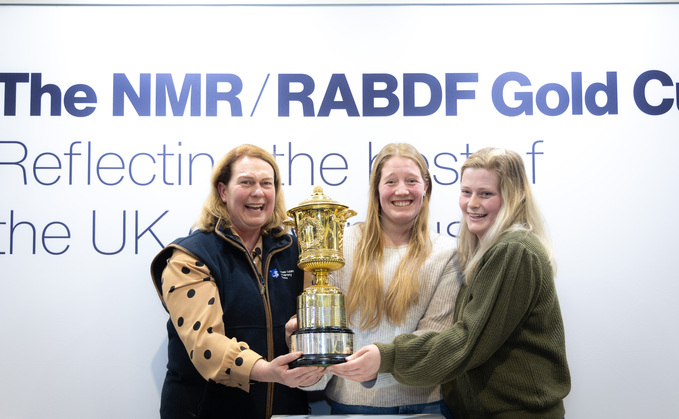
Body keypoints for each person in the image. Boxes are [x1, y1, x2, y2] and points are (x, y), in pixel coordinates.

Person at [330, 147, 571, 419]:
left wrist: (388, 358)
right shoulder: (489, 251)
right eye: (466, 192)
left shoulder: (513, 250)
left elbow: (466, 341)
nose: (472, 203)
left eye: (486, 193)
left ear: (514, 197)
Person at [150, 144, 325, 419]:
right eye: (246, 182)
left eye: (267, 183)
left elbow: (308, 328)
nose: (258, 192)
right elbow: (205, 342)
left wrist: (303, 341)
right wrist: (266, 371)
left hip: (286, 411)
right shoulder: (189, 257)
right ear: (222, 191)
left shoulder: (298, 252)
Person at [292, 143, 462, 417]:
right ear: (376, 189)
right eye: (391, 181)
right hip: (350, 405)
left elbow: (435, 339)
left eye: (411, 181)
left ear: (426, 187)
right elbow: (328, 330)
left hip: (424, 406)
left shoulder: (447, 253)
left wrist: (380, 364)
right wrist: (309, 352)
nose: (401, 190)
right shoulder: (339, 245)